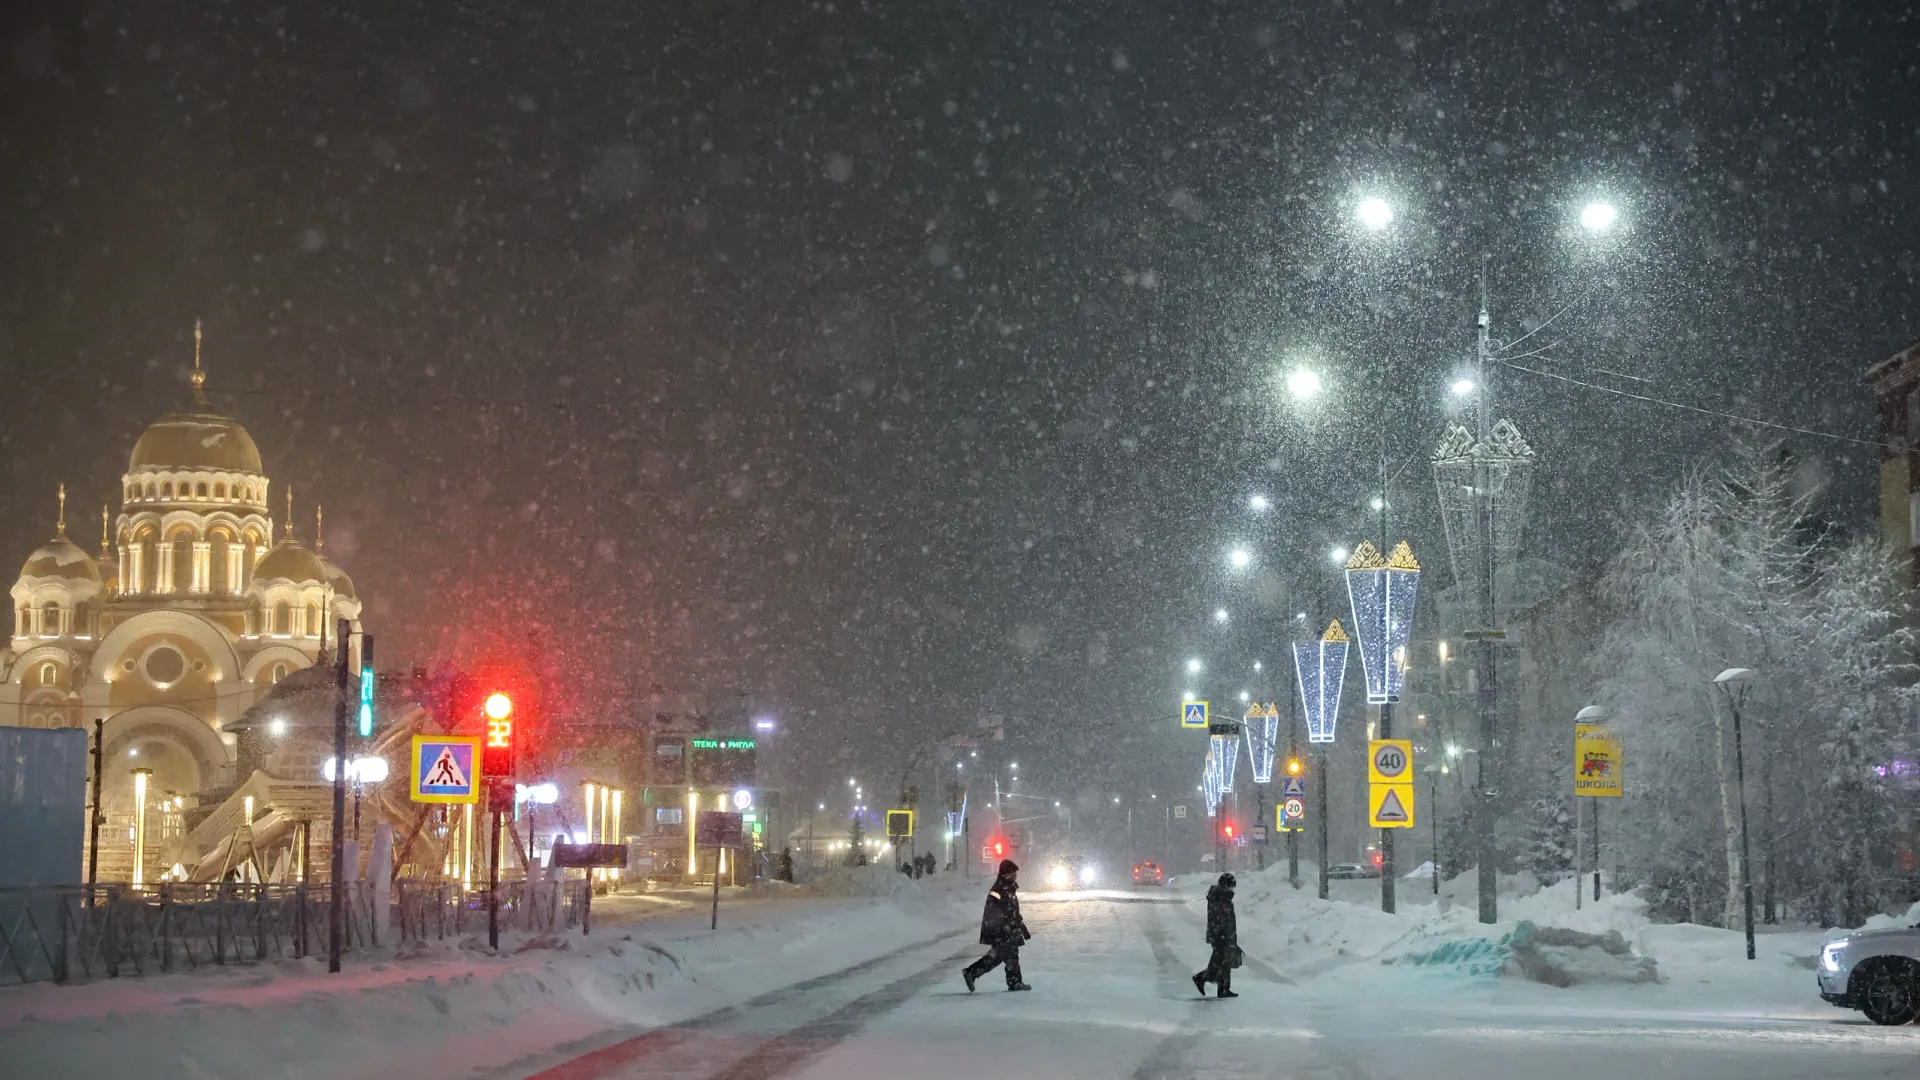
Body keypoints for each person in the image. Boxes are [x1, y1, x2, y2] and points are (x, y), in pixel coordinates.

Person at [963, 858, 1031, 992]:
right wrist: (1005, 925)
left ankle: (1015, 982)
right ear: (1006, 873)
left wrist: (1021, 926)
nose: (1015, 876)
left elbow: (1012, 911)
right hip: (1001, 929)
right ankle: (971, 973)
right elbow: (996, 910)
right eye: (1013, 873)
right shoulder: (1000, 889)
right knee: (998, 956)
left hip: (1007, 928)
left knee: (1009, 954)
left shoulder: (1007, 887)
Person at [1192, 872, 1239, 999]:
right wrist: (1220, 936)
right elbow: (1216, 919)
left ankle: (1223, 989)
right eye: (1230, 886)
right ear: (1225, 886)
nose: (1232, 889)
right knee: (1220, 963)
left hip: (1225, 935)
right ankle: (1202, 978)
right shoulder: (1219, 898)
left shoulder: (1224, 897)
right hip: (1220, 936)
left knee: (1223, 963)